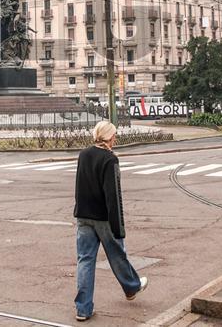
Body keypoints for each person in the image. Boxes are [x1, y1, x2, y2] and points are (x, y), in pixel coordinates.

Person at [73, 121, 147, 321]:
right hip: (103, 217)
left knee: (85, 260)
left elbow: (79, 186)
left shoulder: (84, 154)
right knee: (117, 255)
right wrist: (118, 228)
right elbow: (113, 195)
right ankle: (132, 288)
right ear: (108, 137)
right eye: (114, 135)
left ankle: (83, 309)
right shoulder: (110, 159)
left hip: (83, 215)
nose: (116, 138)